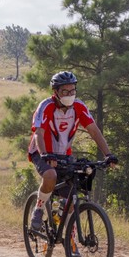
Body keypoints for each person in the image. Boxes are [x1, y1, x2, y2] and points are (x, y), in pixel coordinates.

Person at [27, 71, 118, 237]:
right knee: (50, 175)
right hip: (41, 150)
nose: (70, 95)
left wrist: (108, 154)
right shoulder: (46, 106)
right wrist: (46, 154)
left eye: (72, 91)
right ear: (56, 92)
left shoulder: (79, 107)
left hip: (63, 153)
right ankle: (39, 208)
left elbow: (94, 130)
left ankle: (68, 233)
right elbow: (38, 133)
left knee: (73, 192)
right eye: (65, 92)